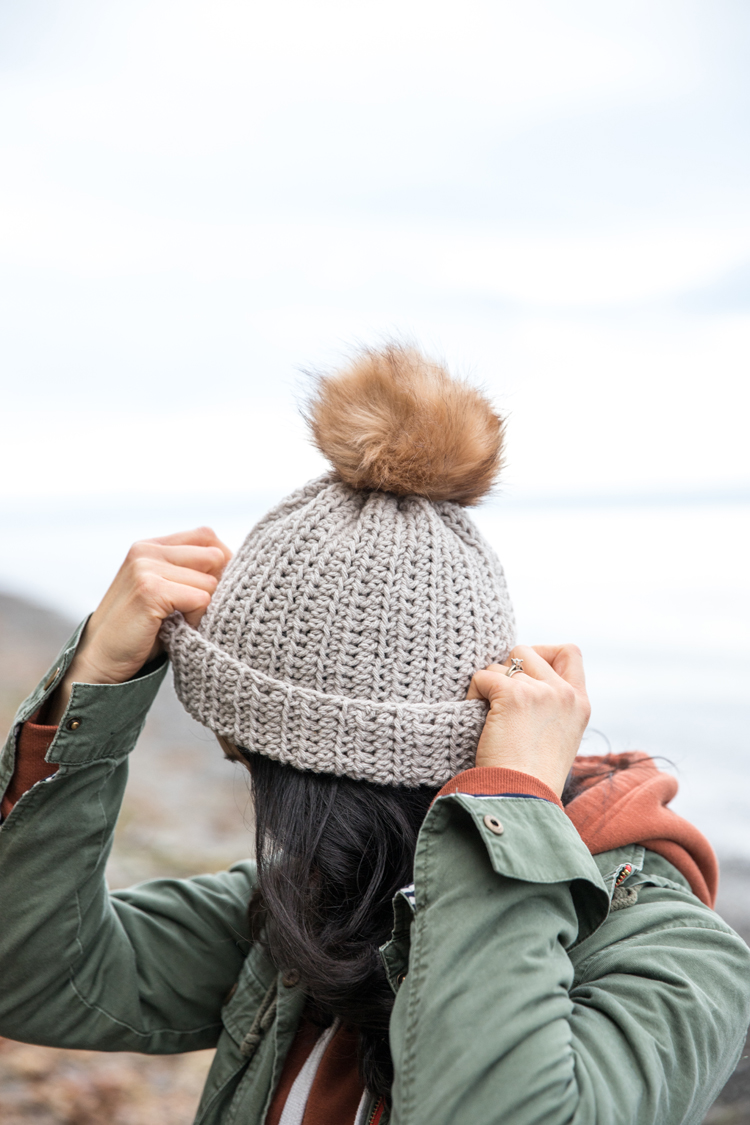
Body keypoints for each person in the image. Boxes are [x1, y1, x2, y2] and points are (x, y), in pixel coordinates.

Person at [0, 344, 748, 1125]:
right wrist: (94, 686)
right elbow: (31, 975)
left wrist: (508, 811)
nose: (254, 793)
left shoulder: (677, 958)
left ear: (342, 783)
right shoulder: (316, 901)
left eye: (259, 768)